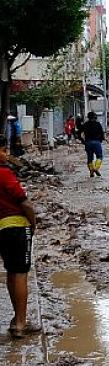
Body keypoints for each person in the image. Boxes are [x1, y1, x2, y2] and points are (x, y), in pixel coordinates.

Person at [0, 137, 40, 339]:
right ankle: (21, 324)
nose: (6, 154)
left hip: (1, 229)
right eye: (3, 150)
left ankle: (17, 319)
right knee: (21, 273)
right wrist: (33, 223)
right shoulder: (4, 174)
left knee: (11, 272)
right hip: (16, 228)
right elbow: (25, 203)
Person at [80, 112, 105, 177]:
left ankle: (91, 170)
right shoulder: (98, 124)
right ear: (95, 117)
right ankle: (96, 168)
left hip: (88, 143)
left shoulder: (85, 124)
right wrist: (101, 140)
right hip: (97, 142)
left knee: (90, 158)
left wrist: (82, 141)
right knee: (99, 157)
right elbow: (102, 134)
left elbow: (79, 132)